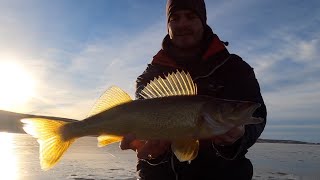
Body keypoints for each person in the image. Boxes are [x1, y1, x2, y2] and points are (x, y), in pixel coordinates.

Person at [120, 0, 267, 179]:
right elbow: (140, 123)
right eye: (175, 18)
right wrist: (151, 152)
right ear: (168, 26)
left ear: (203, 21)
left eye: (190, 16)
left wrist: (239, 137)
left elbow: (257, 115)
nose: (182, 24)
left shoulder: (235, 68)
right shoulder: (150, 75)